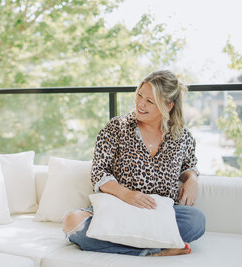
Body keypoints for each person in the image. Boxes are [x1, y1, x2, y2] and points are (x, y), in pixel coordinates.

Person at [62, 70, 206, 256]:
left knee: (196, 220)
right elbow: (99, 172)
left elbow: (189, 164)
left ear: (168, 106)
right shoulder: (116, 128)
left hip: (158, 214)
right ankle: (154, 250)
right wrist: (128, 195)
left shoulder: (181, 136)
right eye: (139, 95)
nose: (140, 104)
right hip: (118, 209)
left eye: (149, 101)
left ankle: (136, 245)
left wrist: (192, 178)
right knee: (71, 222)